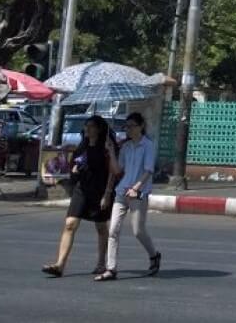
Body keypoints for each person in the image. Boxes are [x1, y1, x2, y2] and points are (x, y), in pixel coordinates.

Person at [42, 115, 119, 278]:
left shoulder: (106, 147)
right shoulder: (82, 146)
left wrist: (107, 193)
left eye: (91, 126)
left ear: (98, 128)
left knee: (100, 226)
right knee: (70, 224)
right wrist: (74, 170)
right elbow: (75, 164)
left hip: (100, 190)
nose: (87, 129)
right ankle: (60, 264)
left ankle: (100, 263)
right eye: (86, 126)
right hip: (81, 189)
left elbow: (113, 172)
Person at [95, 111, 161, 281]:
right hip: (122, 191)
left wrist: (136, 188)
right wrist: (111, 151)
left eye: (132, 126)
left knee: (138, 231)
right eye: (127, 126)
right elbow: (117, 170)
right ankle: (111, 268)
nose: (129, 130)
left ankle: (154, 255)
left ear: (141, 127)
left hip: (139, 193)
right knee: (113, 230)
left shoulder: (148, 145)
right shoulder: (125, 147)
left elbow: (148, 170)